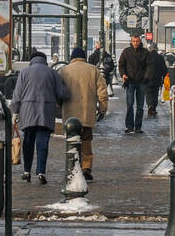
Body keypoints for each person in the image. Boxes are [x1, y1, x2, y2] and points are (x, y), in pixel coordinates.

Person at [9, 49, 67, 184]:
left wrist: (15, 112)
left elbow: (17, 95)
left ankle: (27, 171)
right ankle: (41, 172)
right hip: (46, 112)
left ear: (32, 60)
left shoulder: (24, 73)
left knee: (28, 142)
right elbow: (62, 93)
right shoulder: (52, 73)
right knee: (43, 143)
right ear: (44, 60)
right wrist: (57, 101)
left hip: (28, 112)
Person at [59, 46, 108, 181]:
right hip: (87, 113)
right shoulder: (93, 70)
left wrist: (58, 105)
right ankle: (86, 167)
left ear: (72, 58)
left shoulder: (64, 71)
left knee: (72, 140)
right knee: (86, 141)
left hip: (70, 114)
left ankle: (73, 165)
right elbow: (102, 92)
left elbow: (58, 91)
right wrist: (102, 109)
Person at [118, 33, 151, 134]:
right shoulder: (126, 52)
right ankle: (129, 126)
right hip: (130, 82)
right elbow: (121, 64)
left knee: (140, 106)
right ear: (131, 41)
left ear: (140, 41)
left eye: (137, 41)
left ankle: (138, 127)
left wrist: (146, 77)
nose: (135, 43)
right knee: (130, 105)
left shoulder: (145, 53)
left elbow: (150, 66)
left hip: (141, 82)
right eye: (134, 41)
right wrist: (123, 74)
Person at [145, 47, 169, 118]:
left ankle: (149, 105)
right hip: (157, 79)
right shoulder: (160, 57)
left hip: (147, 78)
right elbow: (164, 68)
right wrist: (165, 76)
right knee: (155, 94)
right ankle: (154, 108)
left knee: (148, 93)